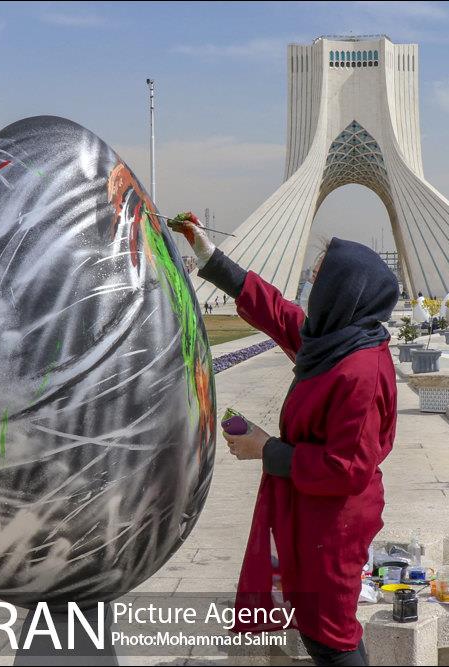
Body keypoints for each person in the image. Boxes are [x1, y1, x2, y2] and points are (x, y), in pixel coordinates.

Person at [170, 214, 397, 666]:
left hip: (334, 524)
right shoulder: (332, 342)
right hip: (309, 513)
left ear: (342, 291)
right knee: (315, 625)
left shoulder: (359, 371)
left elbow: (346, 469)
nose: (310, 290)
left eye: (318, 279)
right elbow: (276, 310)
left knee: (332, 633)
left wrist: (265, 448)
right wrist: (208, 256)